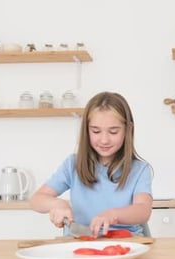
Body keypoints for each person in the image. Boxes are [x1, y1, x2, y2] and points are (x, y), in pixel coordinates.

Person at [30, 91, 153, 237]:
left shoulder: (139, 170)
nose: (104, 140)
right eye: (96, 131)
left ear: (128, 130)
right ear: (87, 130)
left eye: (113, 132)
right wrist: (58, 204)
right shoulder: (73, 165)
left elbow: (143, 210)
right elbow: (36, 199)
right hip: (80, 242)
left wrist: (113, 214)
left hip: (126, 243)